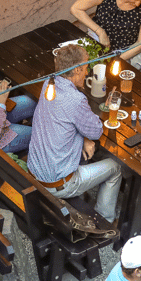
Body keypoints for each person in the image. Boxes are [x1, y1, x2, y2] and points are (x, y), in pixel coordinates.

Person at [27, 44, 121, 222]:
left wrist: (83, 138)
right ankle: (104, 221)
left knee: (85, 151)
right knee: (114, 167)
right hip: (58, 184)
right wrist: (89, 131)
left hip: (35, 171)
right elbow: (96, 131)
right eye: (85, 67)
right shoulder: (76, 100)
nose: (87, 72)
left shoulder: (49, 84)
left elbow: (64, 119)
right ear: (77, 69)